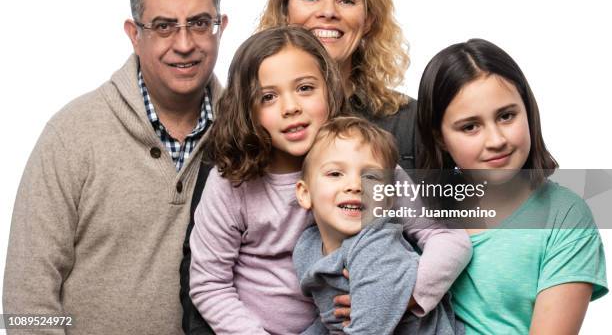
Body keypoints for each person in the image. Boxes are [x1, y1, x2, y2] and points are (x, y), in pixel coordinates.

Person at [188, 26, 471, 335]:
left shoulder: (366, 161)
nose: (291, 107)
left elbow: (447, 239)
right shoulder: (231, 181)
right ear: (248, 110)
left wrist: (405, 297)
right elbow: (209, 283)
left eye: (305, 88)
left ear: (330, 88)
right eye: (268, 97)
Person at [3, 0, 227, 335]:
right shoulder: (72, 134)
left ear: (220, 26)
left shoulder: (247, 132)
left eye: (199, 23)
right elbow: (26, 300)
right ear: (134, 34)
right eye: (164, 26)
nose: (185, 43)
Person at [416, 38, 608, 333]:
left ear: (527, 110)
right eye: (470, 127)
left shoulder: (566, 217)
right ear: (440, 137)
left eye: (506, 116)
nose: (496, 140)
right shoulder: (419, 205)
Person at [293, 116, 464, 334]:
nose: (355, 185)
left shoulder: (377, 246)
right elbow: (330, 320)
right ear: (305, 194)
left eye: (371, 177)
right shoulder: (306, 247)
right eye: (335, 173)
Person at [258, 0, 418, 170]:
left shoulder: (409, 122)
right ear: (285, 12)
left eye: (346, 0)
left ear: (369, 20)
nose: (328, 12)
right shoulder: (249, 114)